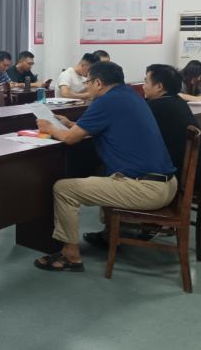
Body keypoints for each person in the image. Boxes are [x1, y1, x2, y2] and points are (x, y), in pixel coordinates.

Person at [34, 61, 177, 272]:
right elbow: (98, 128)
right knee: (105, 173)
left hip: (147, 189)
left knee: (64, 189)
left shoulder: (106, 101)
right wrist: (70, 125)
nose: (87, 86)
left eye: (88, 82)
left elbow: (70, 139)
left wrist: (49, 127)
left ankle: (70, 255)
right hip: (166, 184)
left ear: (99, 83)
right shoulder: (130, 95)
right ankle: (110, 235)